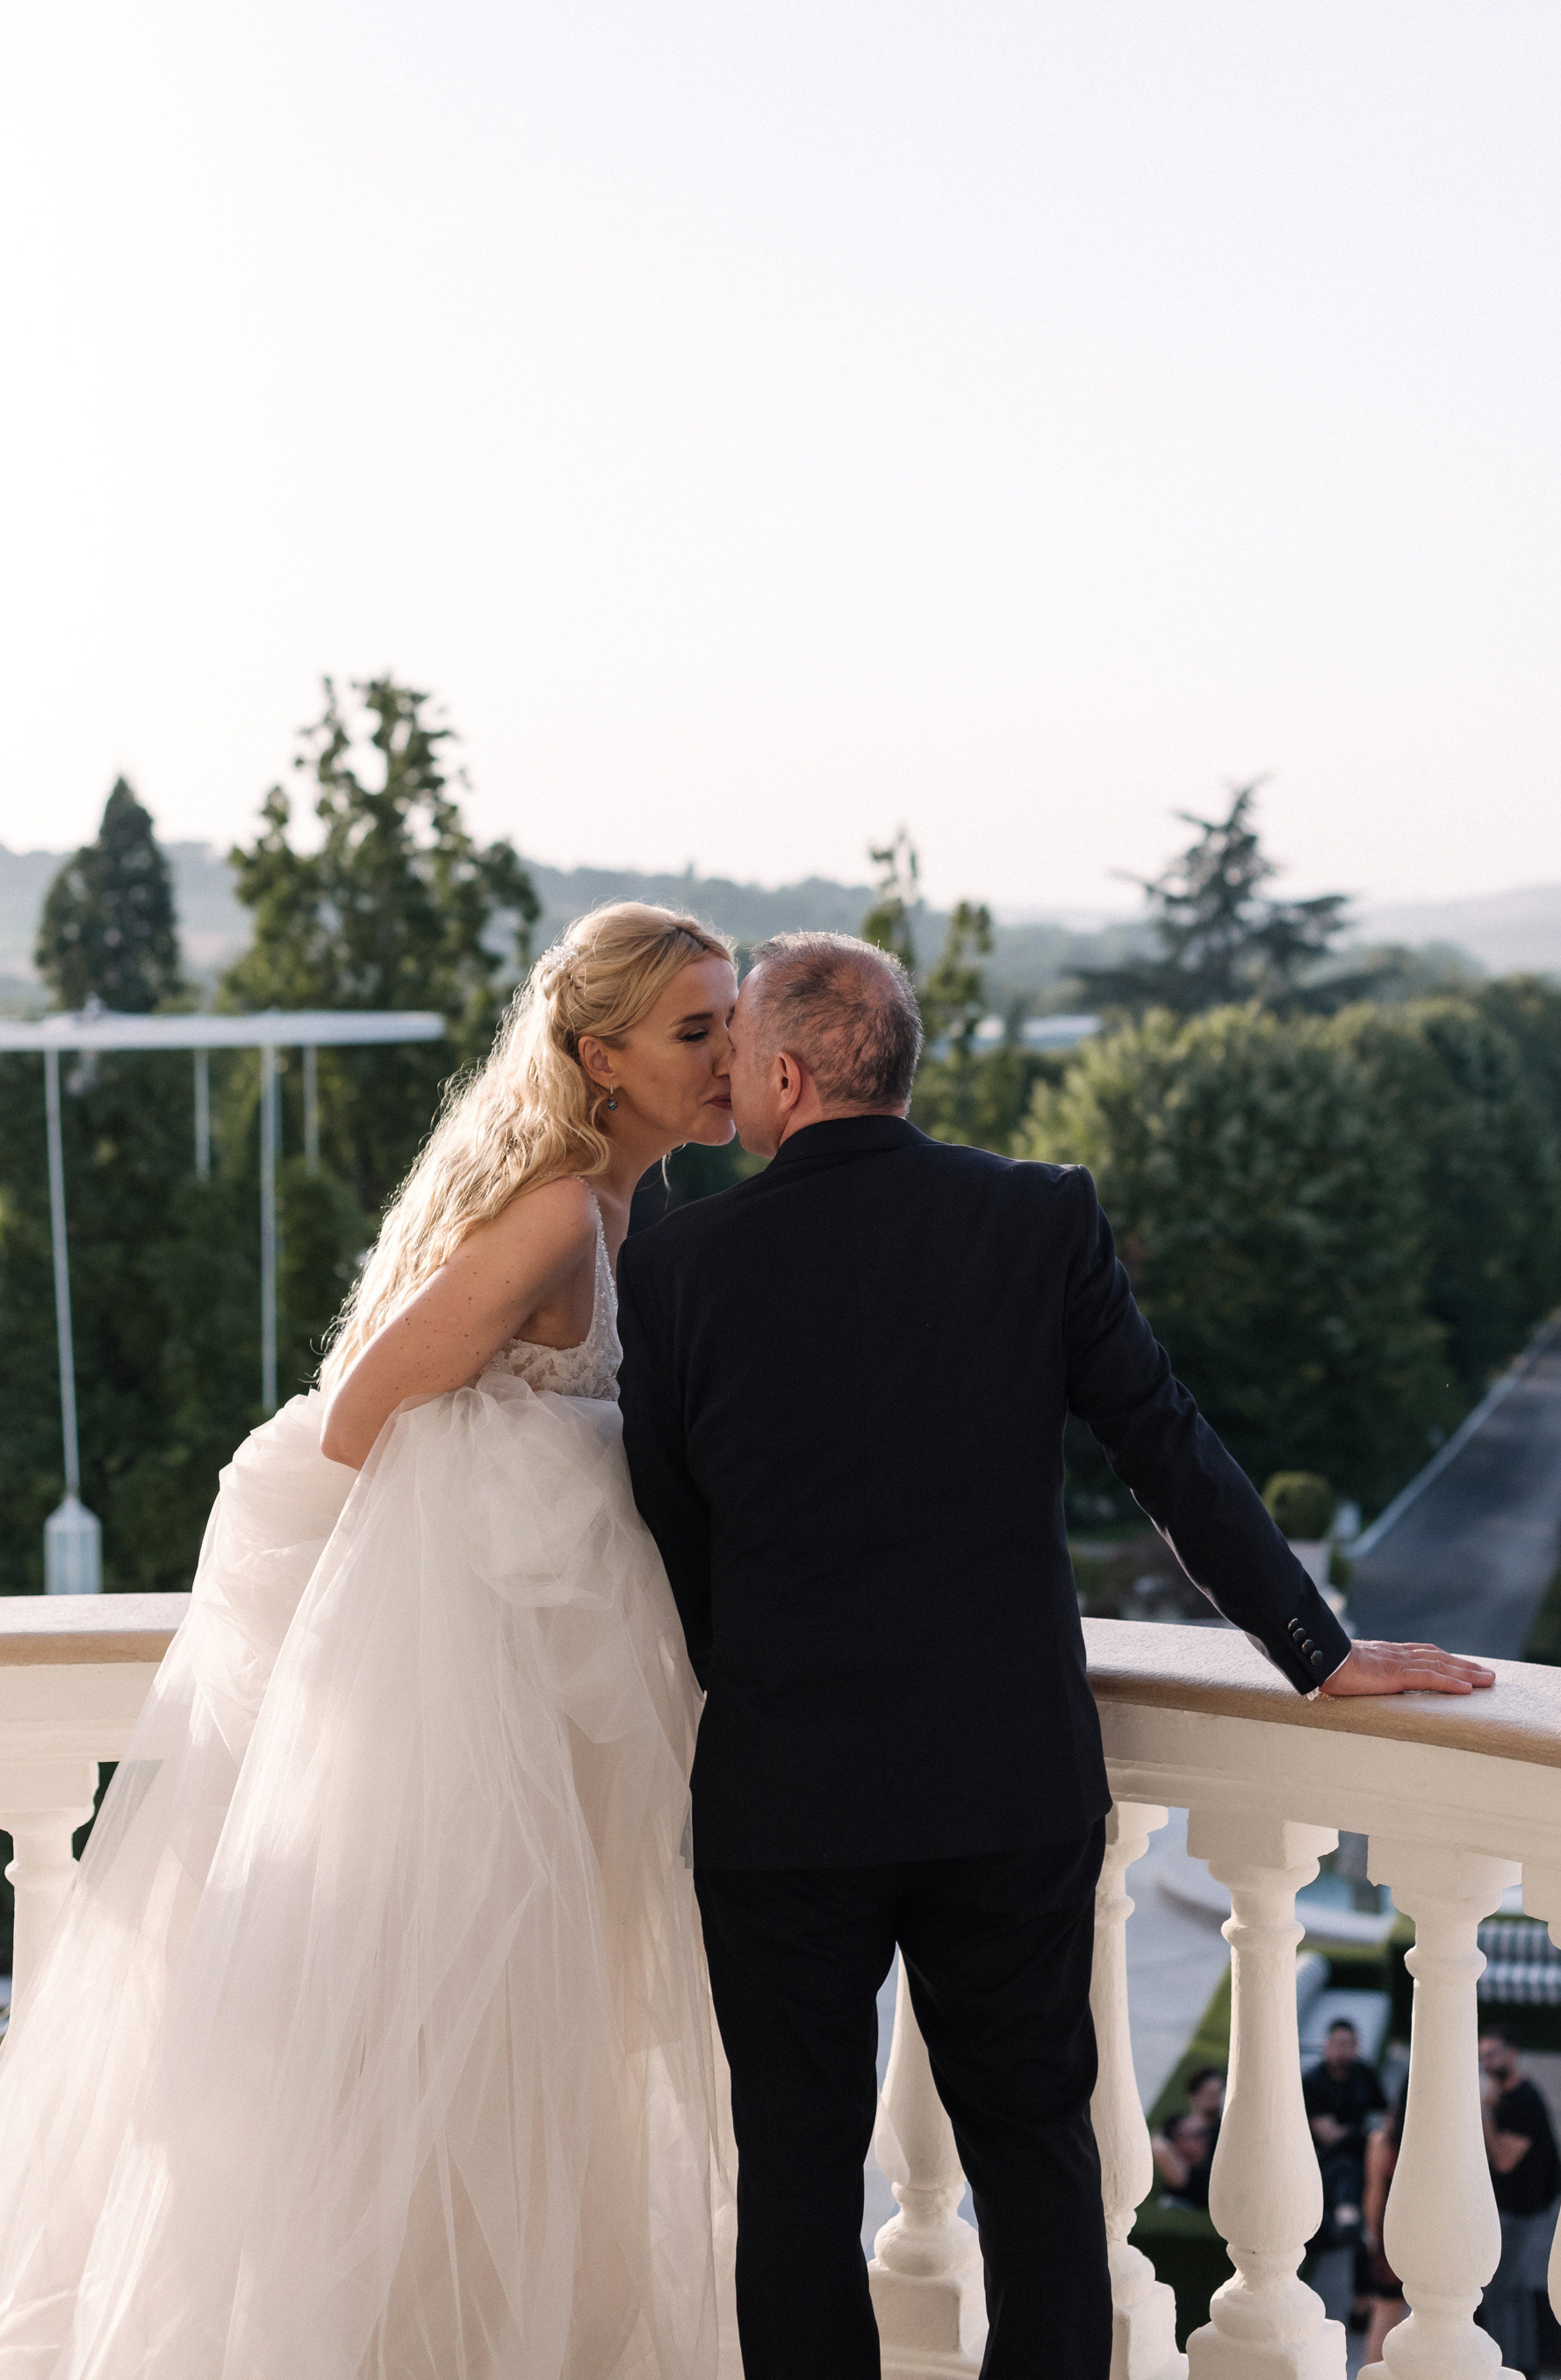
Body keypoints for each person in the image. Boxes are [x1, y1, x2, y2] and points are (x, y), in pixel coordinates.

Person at [616, 929, 1496, 2380]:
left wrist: (759, 1661)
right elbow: (1166, 1445)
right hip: (1004, 1777)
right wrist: (1310, 1645)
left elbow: (672, 1521)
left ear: (779, 1073)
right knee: (1035, 2158)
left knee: (791, 2172)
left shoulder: (680, 1265)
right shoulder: (1036, 1217)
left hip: (788, 1787)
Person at [0, 904, 743, 2380]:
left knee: (531, 2061)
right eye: (695, 1030)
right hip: (470, 1712)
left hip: (548, 1697)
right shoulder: (549, 1212)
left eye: (730, 1021)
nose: (732, 1054)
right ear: (600, 1057)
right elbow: (356, 1421)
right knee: (443, 2044)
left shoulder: (618, 1211)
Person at [1476, 2027, 1561, 2380]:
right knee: (1515, 2291)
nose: (1489, 2062)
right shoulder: (1511, 2099)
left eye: (1495, 2053)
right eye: (1484, 2056)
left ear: (1513, 2053)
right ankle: (1523, 2367)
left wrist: (1482, 2115)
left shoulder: (1523, 2103)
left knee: (1498, 2293)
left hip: (1520, 2213)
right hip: (1517, 2210)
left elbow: (1503, 2160)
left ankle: (1504, 2368)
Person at [1301, 2018, 1386, 2321]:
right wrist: (1363, 2134)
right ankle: (1347, 2215)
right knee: (1347, 2167)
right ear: (1326, 2046)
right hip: (1325, 2166)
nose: (1343, 2051)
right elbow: (1328, 2135)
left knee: (1366, 2228)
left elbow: (1384, 2112)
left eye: (1349, 2045)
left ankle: (1361, 2308)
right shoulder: (1312, 2082)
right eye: (1338, 2044)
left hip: (1364, 2162)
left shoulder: (1362, 2072)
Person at [1361, 2078, 1408, 2361]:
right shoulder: (1445, 2142)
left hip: (1391, 2237)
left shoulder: (1382, 2141)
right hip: (1432, 2237)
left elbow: (1374, 2194)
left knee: (1385, 2312)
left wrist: (1371, 2235)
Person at [1151, 2113, 1216, 2211]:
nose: (1207, 2139)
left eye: (1205, 2132)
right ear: (1177, 2142)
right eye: (1199, 2135)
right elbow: (1158, 2147)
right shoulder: (1183, 2177)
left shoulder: (1210, 2161)